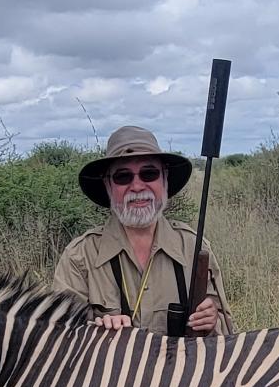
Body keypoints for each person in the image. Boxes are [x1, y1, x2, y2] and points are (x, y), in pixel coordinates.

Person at [54, 126, 234, 336]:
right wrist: (98, 330)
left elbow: (227, 334)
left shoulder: (194, 247)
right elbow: (60, 338)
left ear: (164, 179)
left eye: (149, 174)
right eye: (123, 177)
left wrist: (212, 321)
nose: (137, 186)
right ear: (108, 185)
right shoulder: (79, 256)